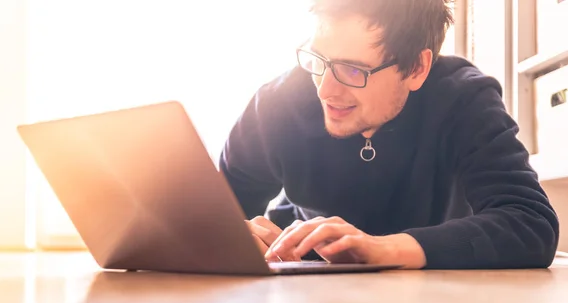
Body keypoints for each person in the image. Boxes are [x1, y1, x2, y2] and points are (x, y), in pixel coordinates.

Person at [217, 0, 560, 269]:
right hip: (303, 292)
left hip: (435, 296)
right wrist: (232, 233)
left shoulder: (463, 98)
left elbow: (530, 223)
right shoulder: (278, 103)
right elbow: (214, 210)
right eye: (317, 60)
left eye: (353, 70)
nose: (325, 90)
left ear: (416, 68)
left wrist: (384, 249)